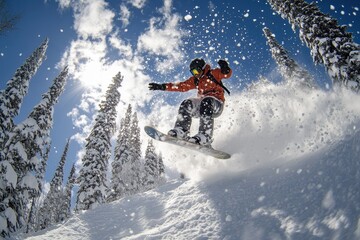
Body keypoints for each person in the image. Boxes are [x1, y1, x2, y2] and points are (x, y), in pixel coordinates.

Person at [148, 58, 232, 146]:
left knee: (206, 101)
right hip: (202, 107)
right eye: (193, 72)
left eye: (197, 71)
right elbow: (181, 86)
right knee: (187, 103)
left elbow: (226, 74)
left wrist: (225, 69)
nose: (196, 74)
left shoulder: (213, 73)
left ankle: (205, 136)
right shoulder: (196, 80)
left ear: (203, 68)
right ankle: (182, 130)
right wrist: (163, 87)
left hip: (216, 105)